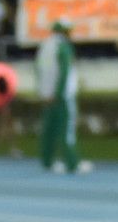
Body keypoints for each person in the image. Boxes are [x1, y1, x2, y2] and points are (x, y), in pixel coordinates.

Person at [35, 19, 90, 175]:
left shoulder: (45, 45)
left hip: (47, 95)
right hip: (62, 96)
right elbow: (64, 71)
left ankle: (47, 161)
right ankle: (72, 163)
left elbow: (39, 70)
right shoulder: (63, 46)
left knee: (49, 130)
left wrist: (44, 92)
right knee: (67, 130)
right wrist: (58, 93)